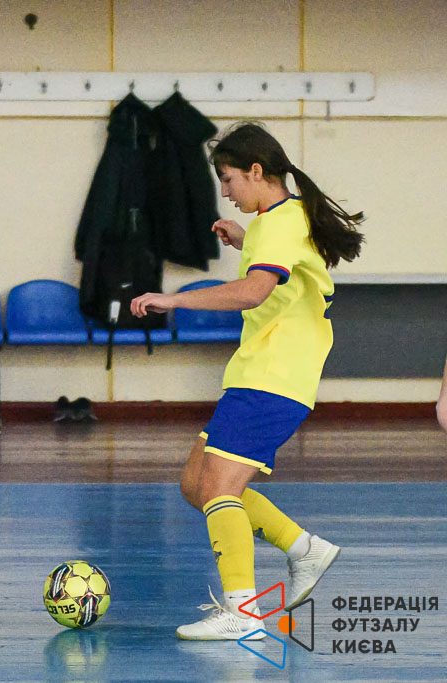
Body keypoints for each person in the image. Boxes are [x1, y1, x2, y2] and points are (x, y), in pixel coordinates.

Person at [131, 122, 364, 641]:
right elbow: (282, 275)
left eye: (229, 178)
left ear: (257, 171)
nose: (225, 191)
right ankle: (304, 549)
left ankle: (242, 612)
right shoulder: (277, 219)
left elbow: (254, 292)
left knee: (218, 488)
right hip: (260, 373)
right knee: (197, 484)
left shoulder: (279, 224)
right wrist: (245, 239)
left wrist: (175, 299)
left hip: (274, 376)